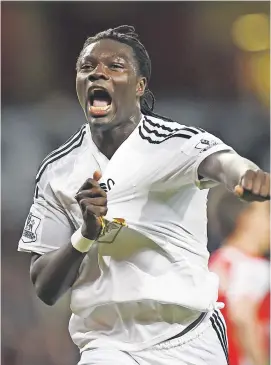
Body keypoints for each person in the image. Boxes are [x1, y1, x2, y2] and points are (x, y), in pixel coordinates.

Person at [18, 25, 270, 365]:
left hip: (188, 338)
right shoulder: (56, 170)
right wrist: (85, 235)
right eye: (87, 67)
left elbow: (222, 162)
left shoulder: (174, 143)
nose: (98, 74)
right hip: (107, 346)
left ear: (140, 86)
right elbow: (45, 287)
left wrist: (247, 175)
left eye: (115, 66)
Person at [209, 198, 270, 365]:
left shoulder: (216, 261)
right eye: (267, 214)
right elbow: (243, 317)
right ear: (246, 219)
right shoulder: (252, 266)